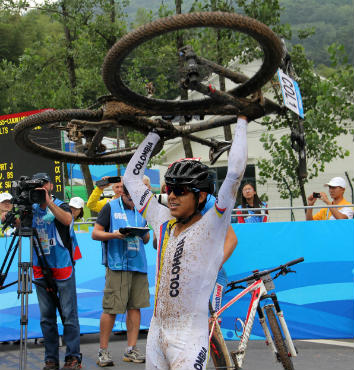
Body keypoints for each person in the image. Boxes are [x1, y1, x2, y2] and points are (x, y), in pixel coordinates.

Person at [123, 115, 249, 370]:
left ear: (201, 196)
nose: (171, 196)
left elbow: (235, 173)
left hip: (189, 338)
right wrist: (154, 135)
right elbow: (131, 180)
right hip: (156, 333)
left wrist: (242, 119)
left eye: (180, 191)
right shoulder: (161, 219)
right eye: (170, 189)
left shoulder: (213, 223)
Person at [92, 183, 150, 367]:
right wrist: (115, 235)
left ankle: (131, 349)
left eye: (135, 198)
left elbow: (146, 239)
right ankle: (103, 351)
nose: (133, 202)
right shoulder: (110, 206)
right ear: (122, 193)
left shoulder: (142, 208)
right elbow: (95, 233)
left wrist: (143, 234)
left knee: (135, 307)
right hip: (117, 264)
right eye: (129, 198)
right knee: (111, 309)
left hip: (138, 264)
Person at [31, 173, 82, 370]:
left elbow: (67, 219)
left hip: (62, 267)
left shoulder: (60, 204)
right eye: (37, 187)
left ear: (50, 186)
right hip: (40, 267)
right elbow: (20, 227)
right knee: (46, 317)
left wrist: (48, 201)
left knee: (69, 315)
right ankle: (50, 359)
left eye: (43, 185)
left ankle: (73, 357)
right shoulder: (32, 208)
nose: (40, 189)